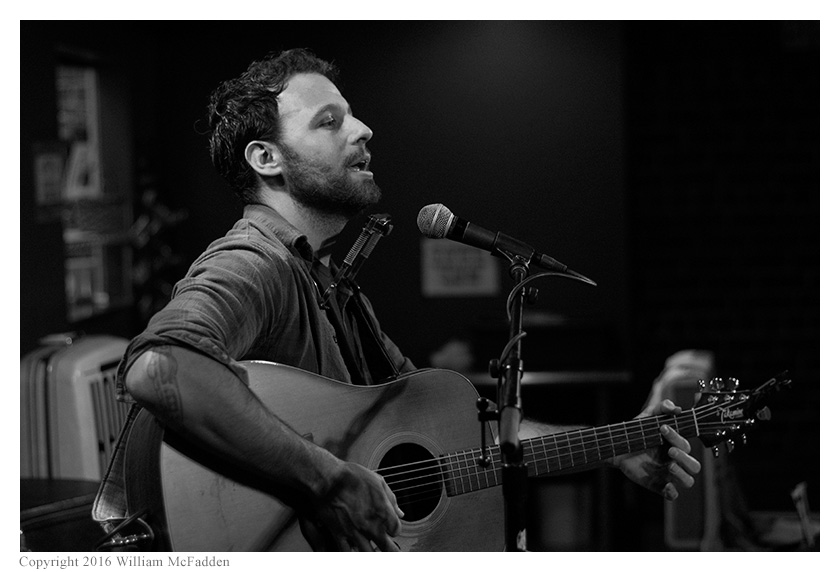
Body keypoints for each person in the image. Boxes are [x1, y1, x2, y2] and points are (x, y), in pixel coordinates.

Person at [93, 48, 701, 552]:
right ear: (266, 158)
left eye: (352, 116)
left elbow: (456, 437)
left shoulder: (333, 285)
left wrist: (616, 443)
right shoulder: (256, 262)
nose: (362, 130)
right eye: (328, 121)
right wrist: (328, 481)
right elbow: (161, 367)